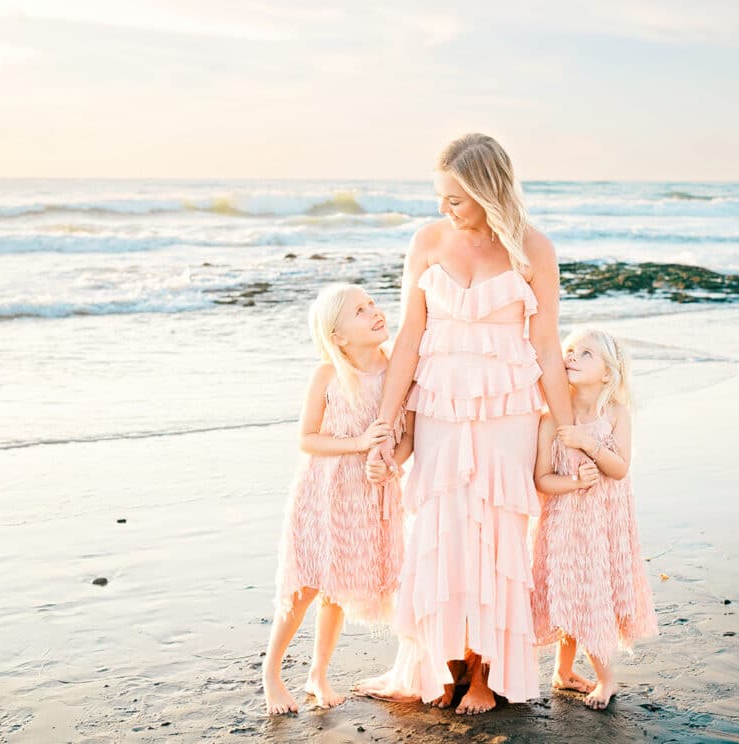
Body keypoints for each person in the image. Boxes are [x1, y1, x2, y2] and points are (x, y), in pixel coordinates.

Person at [356, 133, 574, 715]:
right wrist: (385, 420)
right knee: (440, 529)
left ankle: (482, 673)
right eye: (440, 196)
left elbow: (547, 346)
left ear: (485, 191)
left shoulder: (534, 249)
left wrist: (570, 430)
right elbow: (408, 338)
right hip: (439, 408)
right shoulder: (426, 242)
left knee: (494, 534)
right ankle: (442, 663)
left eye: (454, 198)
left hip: (508, 412)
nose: (443, 209)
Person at [263, 283, 412, 715]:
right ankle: (272, 673)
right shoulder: (329, 373)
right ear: (339, 336)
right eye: (360, 311)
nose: (374, 312)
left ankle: (318, 674)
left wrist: (391, 464)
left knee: (336, 590)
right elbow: (307, 439)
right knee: (307, 583)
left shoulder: (394, 370)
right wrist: (359, 444)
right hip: (322, 496)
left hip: (367, 497)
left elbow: (406, 438)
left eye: (371, 304)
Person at [531, 327, 658, 710]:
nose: (571, 356)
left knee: (591, 596)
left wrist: (588, 444)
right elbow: (541, 479)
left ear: (608, 373)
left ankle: (606, 680)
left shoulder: (616, 413)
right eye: (569, 349)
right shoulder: (551, 419)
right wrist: (572, 482)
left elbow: (619, 468)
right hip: (565, 525)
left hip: (605, 527)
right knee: (571, 592)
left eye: (585, 353)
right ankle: (564, 672)